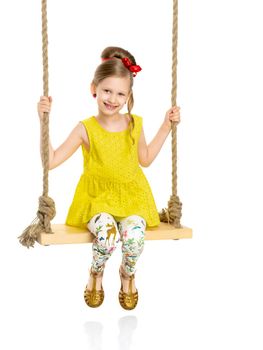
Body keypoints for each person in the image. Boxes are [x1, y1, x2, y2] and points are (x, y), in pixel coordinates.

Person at [37, 46, 181, 310]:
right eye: (107, 91)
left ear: (128, 96)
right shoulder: (85, 128)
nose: (113, 99)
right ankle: (96, 272)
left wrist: (166, 126)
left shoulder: (134, 124)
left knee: (135, 238)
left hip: (132, 200)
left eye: (120, 94)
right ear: (94, 88)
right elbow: (52, 161)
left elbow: (145, 158)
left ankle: (127, 274)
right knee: (107, 236)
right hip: (97, 201)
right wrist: (43, 122)